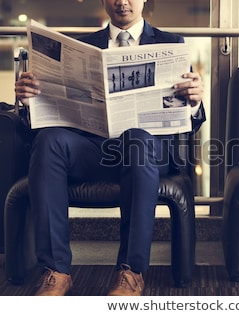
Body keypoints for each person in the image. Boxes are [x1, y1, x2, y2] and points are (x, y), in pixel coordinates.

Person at [14, 0, 206, 296]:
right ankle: (56, 270)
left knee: (138, 139)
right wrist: (30, 101)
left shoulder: (172, 43)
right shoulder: (81, 47)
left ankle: (130, 272)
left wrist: (194, 103)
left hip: (146, 152)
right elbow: (48, 115)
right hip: (93, 149)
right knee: (49, 141)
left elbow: (188, 121)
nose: (122, 1)